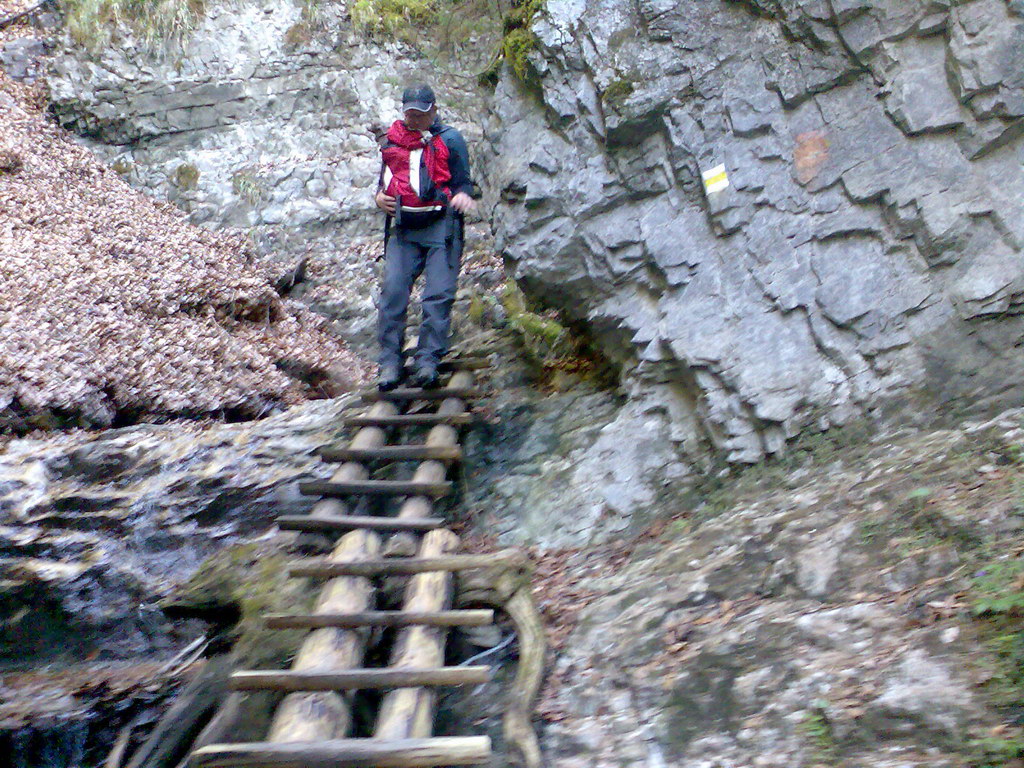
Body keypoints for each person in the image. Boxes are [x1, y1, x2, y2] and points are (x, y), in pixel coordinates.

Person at [374, 84, 476, 391]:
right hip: (404, 228)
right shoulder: (393, 142)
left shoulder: (451, 139)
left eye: (421, 113)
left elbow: (463, 183)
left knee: (437, 296)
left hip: (442, 228)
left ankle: (428, 361)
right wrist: (378, 198)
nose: (416, 119)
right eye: (410, 113)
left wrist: (462, 198)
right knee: (392, 292)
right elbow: (385, 182)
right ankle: (390, 363)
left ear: (433, 109)